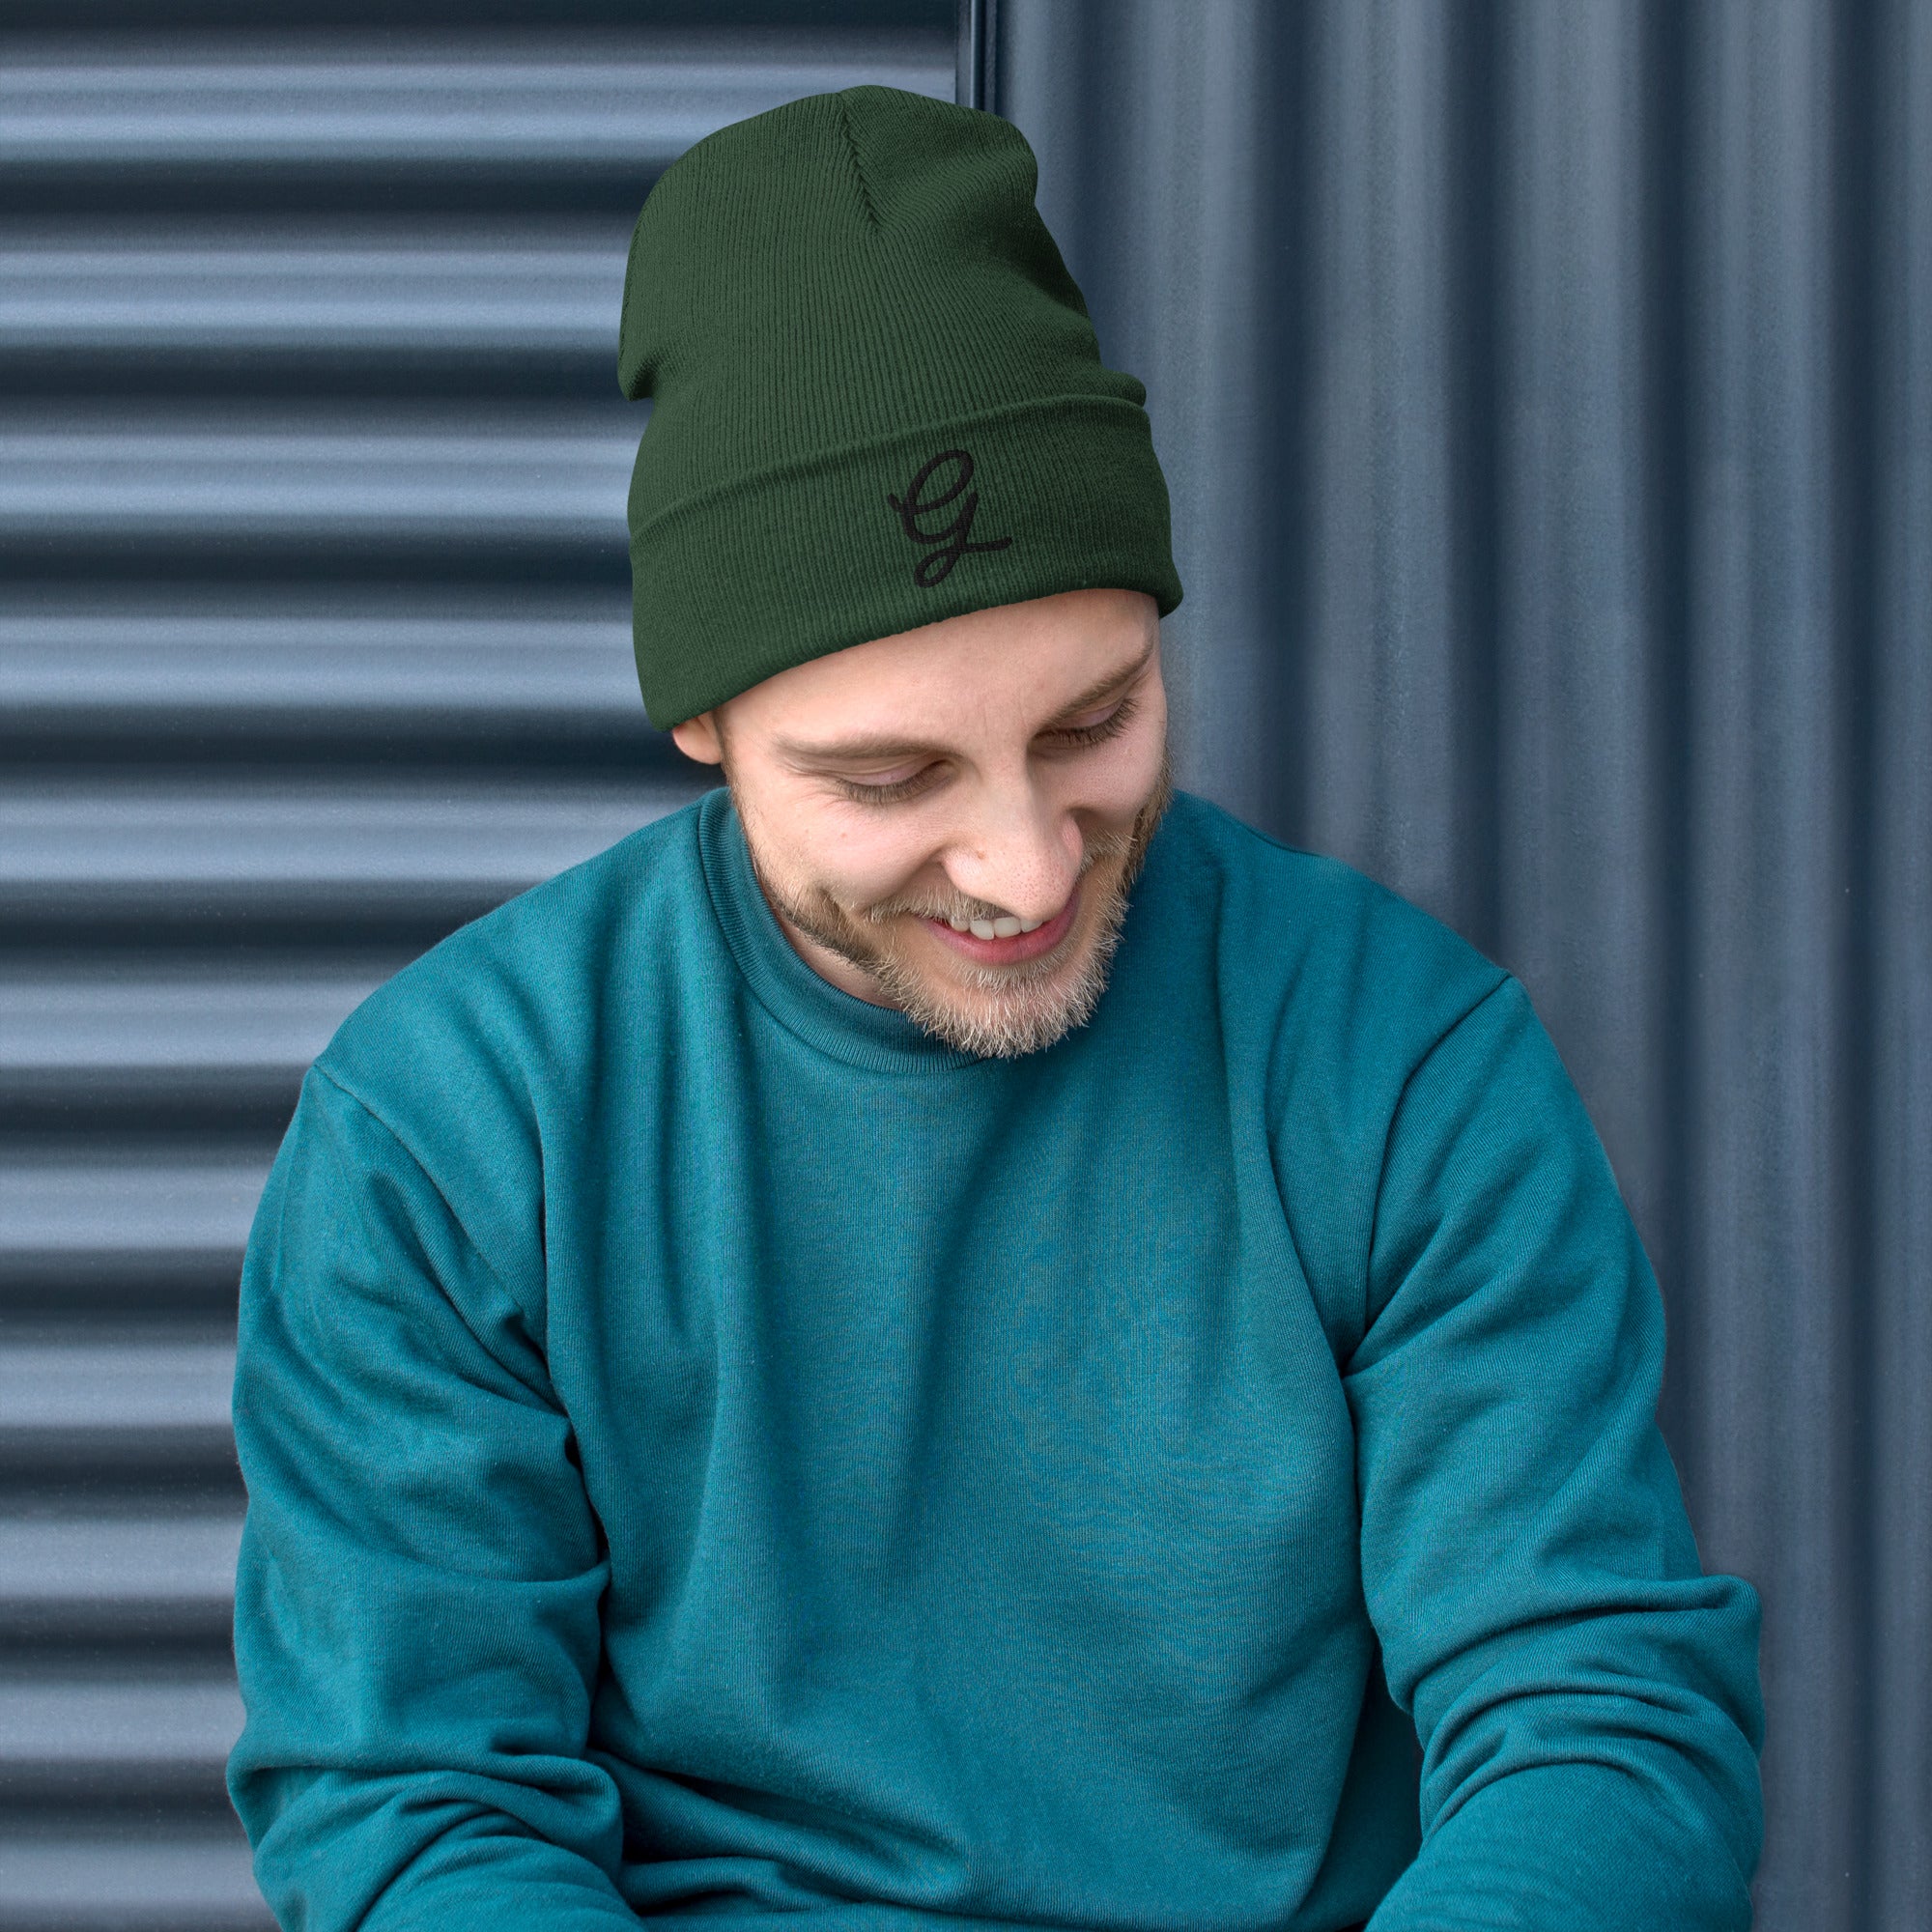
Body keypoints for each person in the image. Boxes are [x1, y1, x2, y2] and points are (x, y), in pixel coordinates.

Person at [227, 86, 1764, 1931]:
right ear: (704, 727)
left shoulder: (1403, 1064)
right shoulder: (454, 1133)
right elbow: (413, 1803)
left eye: (1092, 722)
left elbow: (1599, 1728)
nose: (1028, 870)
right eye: (890, 782)